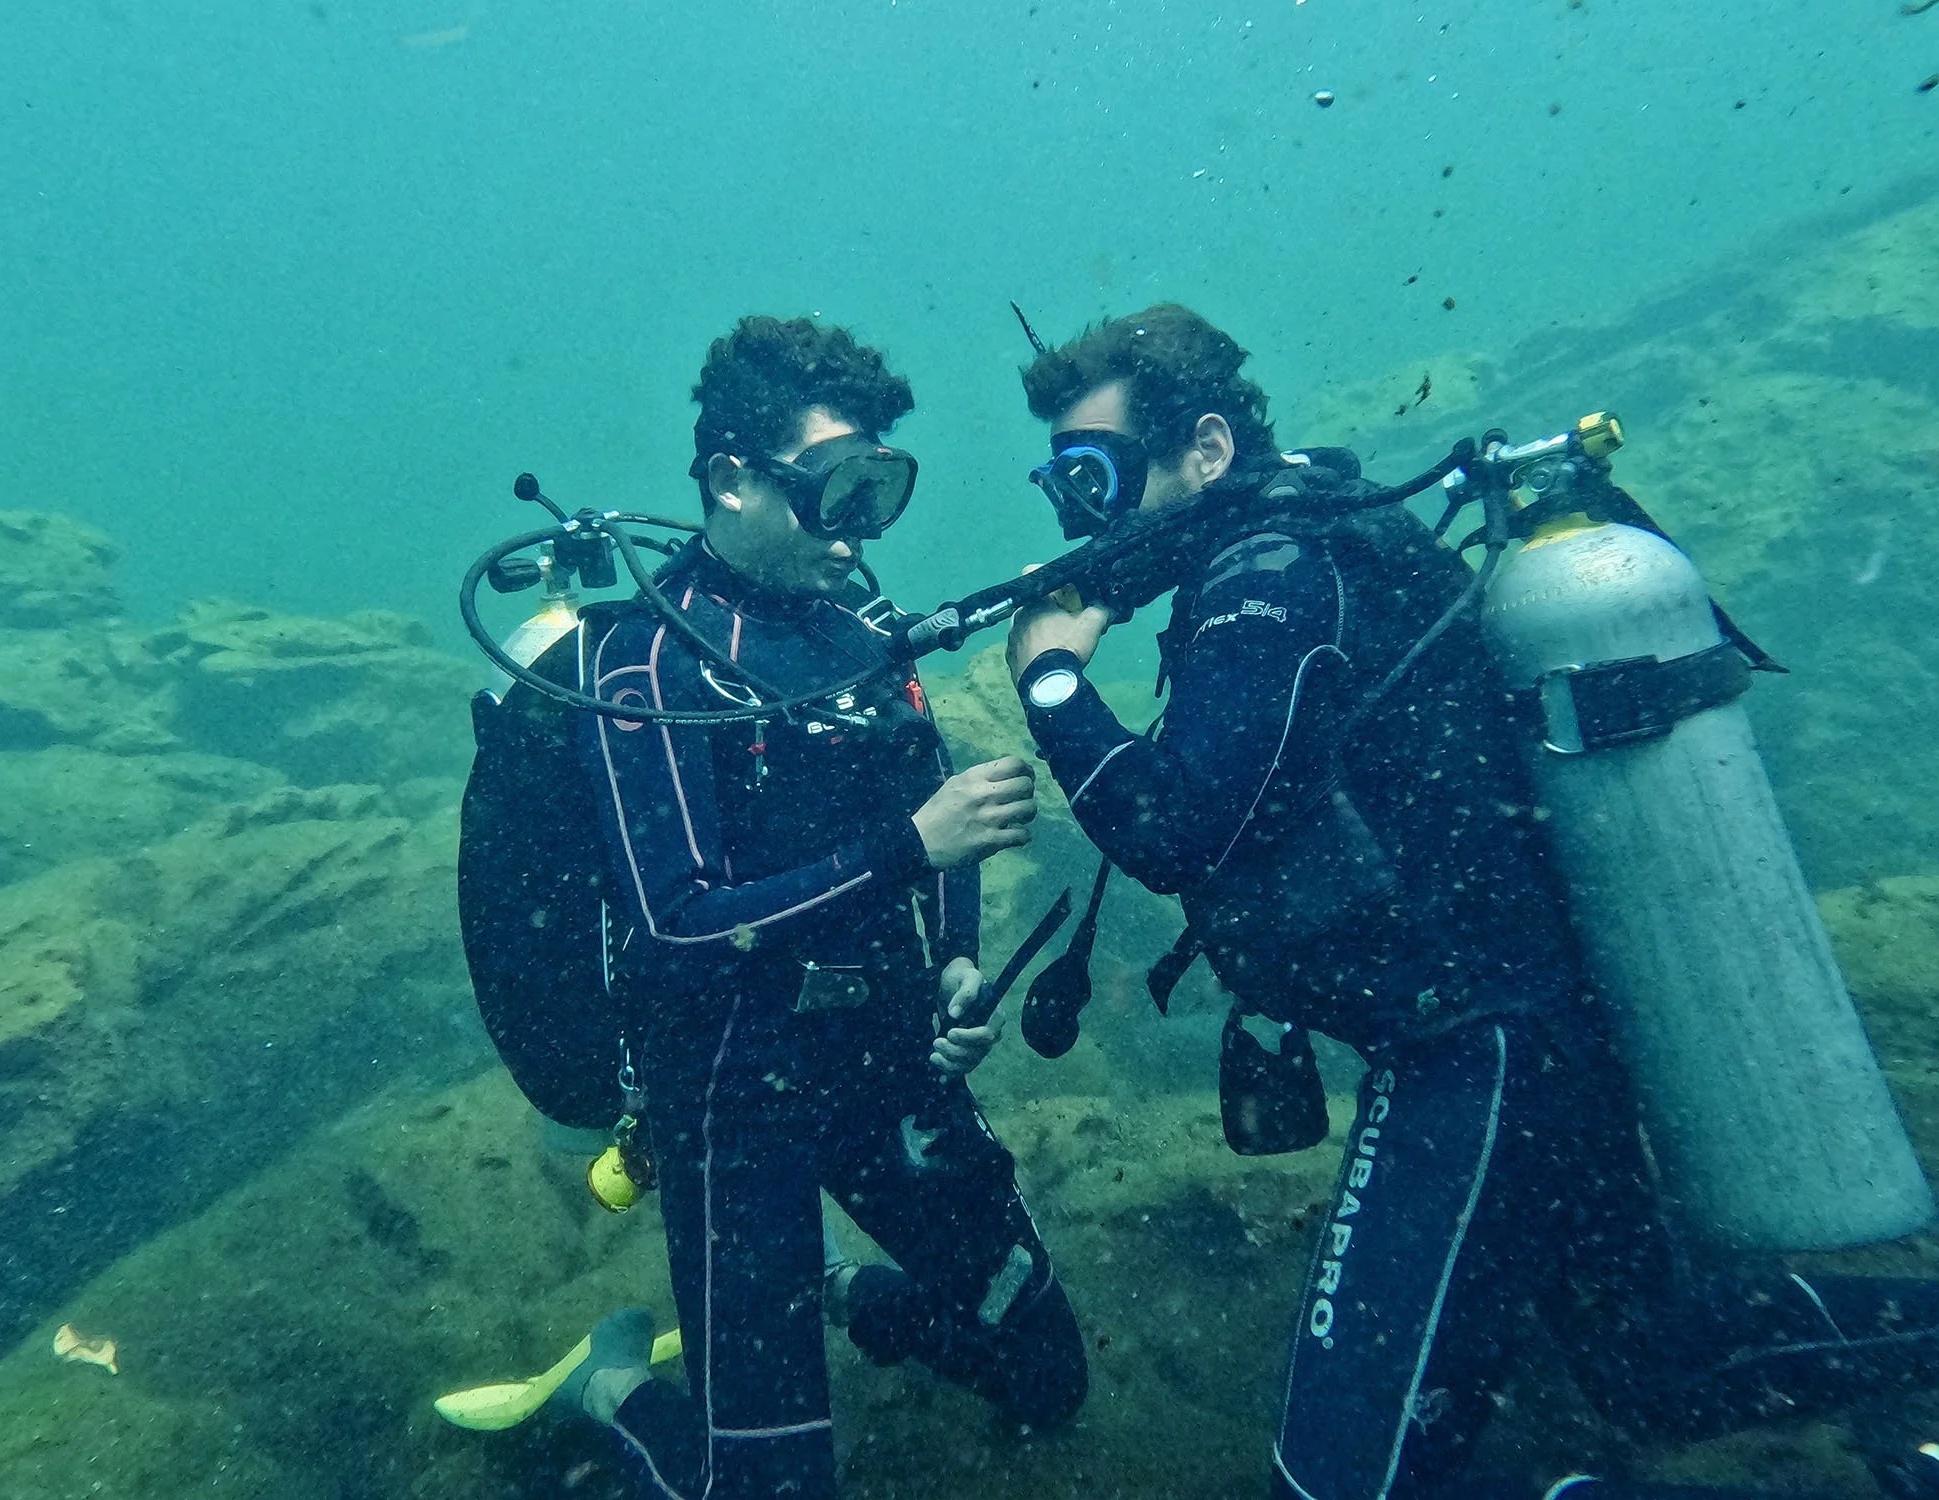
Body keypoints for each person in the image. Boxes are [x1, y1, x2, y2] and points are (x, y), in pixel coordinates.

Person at [1001, 303, 1939, 1500]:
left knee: (1339, 1477)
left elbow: (1176, 826)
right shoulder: (1331, 535)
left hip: (1472, 1049)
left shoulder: (1269, 576)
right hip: (1549, 1022)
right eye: (1059, 487)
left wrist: (1051, 674)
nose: (1079, 519)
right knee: (1645, 1359)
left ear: (1205, 453)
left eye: (1095, 477)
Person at [556, 315, 1087, 1500]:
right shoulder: (650, 658)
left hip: (883, 1054)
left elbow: (938, 811)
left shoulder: (862, 639)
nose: (860, 533)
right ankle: (607, 1389)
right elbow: (678, 915)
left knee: (1043, 1374)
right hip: (731, 1085)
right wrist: (910, 847)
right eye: (835, 493)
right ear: (729, 482)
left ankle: (842, 1285)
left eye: (879, 494)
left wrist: (954, 965)